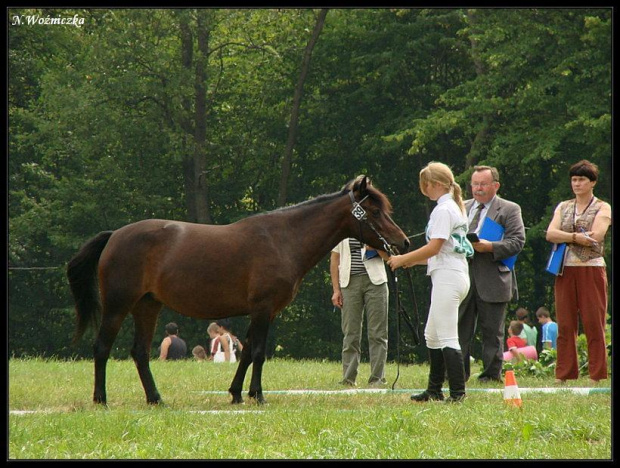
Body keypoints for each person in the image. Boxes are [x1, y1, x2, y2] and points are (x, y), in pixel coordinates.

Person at [387, 162, 473, 403]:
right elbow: (442, 251)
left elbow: (434, 247)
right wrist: (412, 262)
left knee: (446, 336)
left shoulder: (444, 210)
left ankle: (458, 393)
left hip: (448, 276)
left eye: (425, 185)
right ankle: (434, 389)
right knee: (432, 335)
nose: (423, 190)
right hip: (450, 271)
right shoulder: (451, 207)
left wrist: (404, 257)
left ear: (434, 184)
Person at [457, 165, 526, 383]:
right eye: (475, 184)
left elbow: (517, 241)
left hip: (494, 277)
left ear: (495, 185)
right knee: (459, 329)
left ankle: (490, 375)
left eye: (483, 184)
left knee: (492, 333)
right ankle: (458, 373)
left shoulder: (509, 209)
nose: (478, 188)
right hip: (463, 277)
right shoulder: (462, 207)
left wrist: (491, 247)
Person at [545, 159, 611, 384]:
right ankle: (564, 374)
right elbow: (550, 233)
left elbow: (597, 235)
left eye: (581, 179)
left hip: (591, 269)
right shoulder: (563, 206)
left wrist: (567, 236)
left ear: (592, 182)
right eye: (574, 179)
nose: (577, 184)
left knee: (594, 322)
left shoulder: (603, 207)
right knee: (565, 324)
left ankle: (597, 375)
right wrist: (575, 237)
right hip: (565, 269)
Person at [330, 178, 390, 388]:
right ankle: (348, 378)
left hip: (375, 281)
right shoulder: (344, 222)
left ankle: (377, 378)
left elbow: (387, 254)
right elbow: (335, 258)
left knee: (378, 333)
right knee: (351, 333)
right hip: (350, 281)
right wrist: (336, 289)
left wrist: (372, 243)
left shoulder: (375, 220)